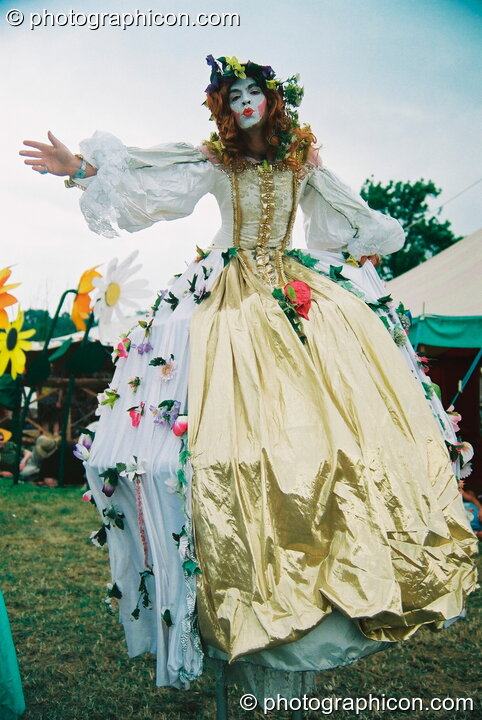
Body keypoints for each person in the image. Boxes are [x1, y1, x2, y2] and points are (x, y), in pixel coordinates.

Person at [20, 56, 477, 695]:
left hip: (297, 294)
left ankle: (333, 566)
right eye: (231, 94)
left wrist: (343, 206)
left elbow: (350, 215)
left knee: (333, 429)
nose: (242, 103)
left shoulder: (300, 162)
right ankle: (235, 575)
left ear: (272, 101)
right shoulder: (217, 160)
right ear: (223, 106)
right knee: (223, 432)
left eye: (251, 92)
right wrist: (86, 168)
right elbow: (158, 178)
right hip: (225, 300)